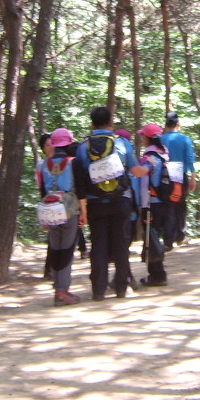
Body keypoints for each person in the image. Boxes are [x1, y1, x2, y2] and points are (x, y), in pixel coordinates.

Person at [74, 107, 148, 300]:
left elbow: (80, 181)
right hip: (120, 201)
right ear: (111, 123)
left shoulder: (83, 148)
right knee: (121, 244)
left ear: (92, 124)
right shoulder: (122, 144)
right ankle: (121, 288)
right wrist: (150, 167)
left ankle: (98, 290)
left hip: (94, 203)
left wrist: (83, 210)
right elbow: (136, 171)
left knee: (98, 246)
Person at [36, 128, 82, 306]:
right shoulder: (73, 162)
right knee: (67, 250)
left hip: (50, 209)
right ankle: (63, 291)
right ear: (69, 142)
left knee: (55, 250)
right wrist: (83, 212)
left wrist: (43, 217)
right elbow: (81, 190)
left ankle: (58, 289)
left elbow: (42, 190)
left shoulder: (43, 164)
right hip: (69, 210)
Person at [135, 123, 175, 286]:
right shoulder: (165, 153)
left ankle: (157, 275)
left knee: (151, 238)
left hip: (152, 203)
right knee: (155, 237)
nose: (141, 138)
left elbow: (143, 180)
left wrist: (142, 206)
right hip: (166, 201)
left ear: (147, 137)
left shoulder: (149, 157)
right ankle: (158, 273)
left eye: (142, 135)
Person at [162, 112, 197, 247]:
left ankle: (168, 239)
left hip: (164, 176)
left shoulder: (160, 139)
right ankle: (180, 236)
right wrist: (193, 177)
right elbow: (189, 159)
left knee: (167, 206)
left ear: (166, 125)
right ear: (178, 124)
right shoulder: (184, 139)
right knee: (180, 206)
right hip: (180, 176)